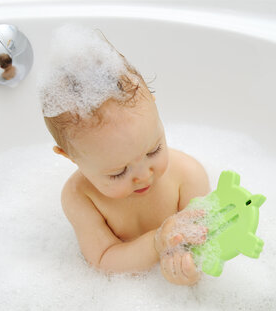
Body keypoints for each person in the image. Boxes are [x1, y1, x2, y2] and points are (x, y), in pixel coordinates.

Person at [37, 25, 210, 286]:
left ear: (155, 106)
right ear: (70, 157)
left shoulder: (187, 175)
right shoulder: (80, 198)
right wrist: (156, 244)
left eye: (154, 150)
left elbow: (208, 240)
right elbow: (103, 259)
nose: (143, 176)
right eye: (118, 172)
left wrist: (191, 269)